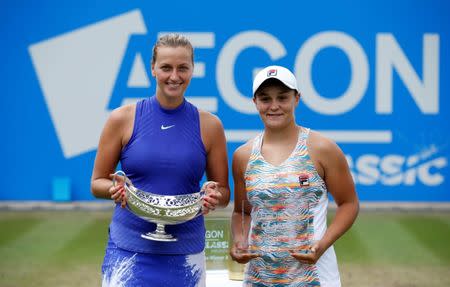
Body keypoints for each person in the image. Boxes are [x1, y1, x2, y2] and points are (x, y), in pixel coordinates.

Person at [91, 33, 230, 287]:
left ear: (192, 70)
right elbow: (97, 182)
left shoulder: (210, 126)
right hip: (128, 250)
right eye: (166, 67)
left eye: (182, 68)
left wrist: (214, 196)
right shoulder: (122, 119)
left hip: (186, 254)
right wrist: (116, 189)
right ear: (153, 68)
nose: (174, 76)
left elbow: (222, 191)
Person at [229, 65, 359, 286]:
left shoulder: (322, 148)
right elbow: (243, 212)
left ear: (296, 99)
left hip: (314, 277)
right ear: (255, 102)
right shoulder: (243, 155)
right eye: (265, 99)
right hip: (259, 278)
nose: (274, 106)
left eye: (283, 97)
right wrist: (240, 241)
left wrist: (322, 244)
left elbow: (349, 204)